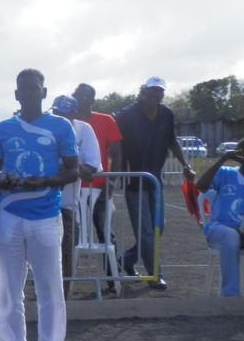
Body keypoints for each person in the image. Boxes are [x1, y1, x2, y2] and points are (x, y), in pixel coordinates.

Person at [0, 69, 78, 341]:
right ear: (16, 94)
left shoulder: (61, 126)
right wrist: (1, 179)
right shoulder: (3, 129)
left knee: (49, 286)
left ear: (44, 92)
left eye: (34, 88)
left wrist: (46, 181)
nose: (28, 93)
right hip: (9, 214)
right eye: (23, 89)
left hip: (46, 214)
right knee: (9, 287)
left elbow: (73, 170)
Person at [116, 77, 195, 289]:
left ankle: (127, 260)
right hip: (134, 180)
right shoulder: (127, 114)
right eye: (152, 90)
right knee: (146, 231)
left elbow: (172, 141)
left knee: (159, 228)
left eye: (159, 91)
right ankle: (155, 274)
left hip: (155, 180)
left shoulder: (166, 113)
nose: (155, 94)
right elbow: (117, 146)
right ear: (143, 91)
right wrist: (118, 173)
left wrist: (185, 165)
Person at [51, 95, 101, 296]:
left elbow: (92, 166)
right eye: (57, 113)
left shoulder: (84, 129)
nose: (61, 118)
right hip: (42, 203)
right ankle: (45, 293)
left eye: (66, 114)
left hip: (68, 204)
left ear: (75, 113)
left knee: (68, 250)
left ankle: (63, 295)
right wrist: (73, 167)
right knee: (41, 252)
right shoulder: (44, 128)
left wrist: (69, 167)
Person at [72, 83, 122, 248]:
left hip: (100, 187)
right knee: (73, 235)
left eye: (82, 96)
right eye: (75, 95)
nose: (78, 99)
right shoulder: (66, 121)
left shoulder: (106, 120)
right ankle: (70, 266)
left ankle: (111, 264)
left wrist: (111, 182)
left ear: (92, 100)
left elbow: (117, 154)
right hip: (73, 188)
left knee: (106, 234)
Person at [195, 138, 244, 296]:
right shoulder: (225, 172)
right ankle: (231, 295)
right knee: (231, 236)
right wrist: (221, 160)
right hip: (221, 229)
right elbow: (201, 186)